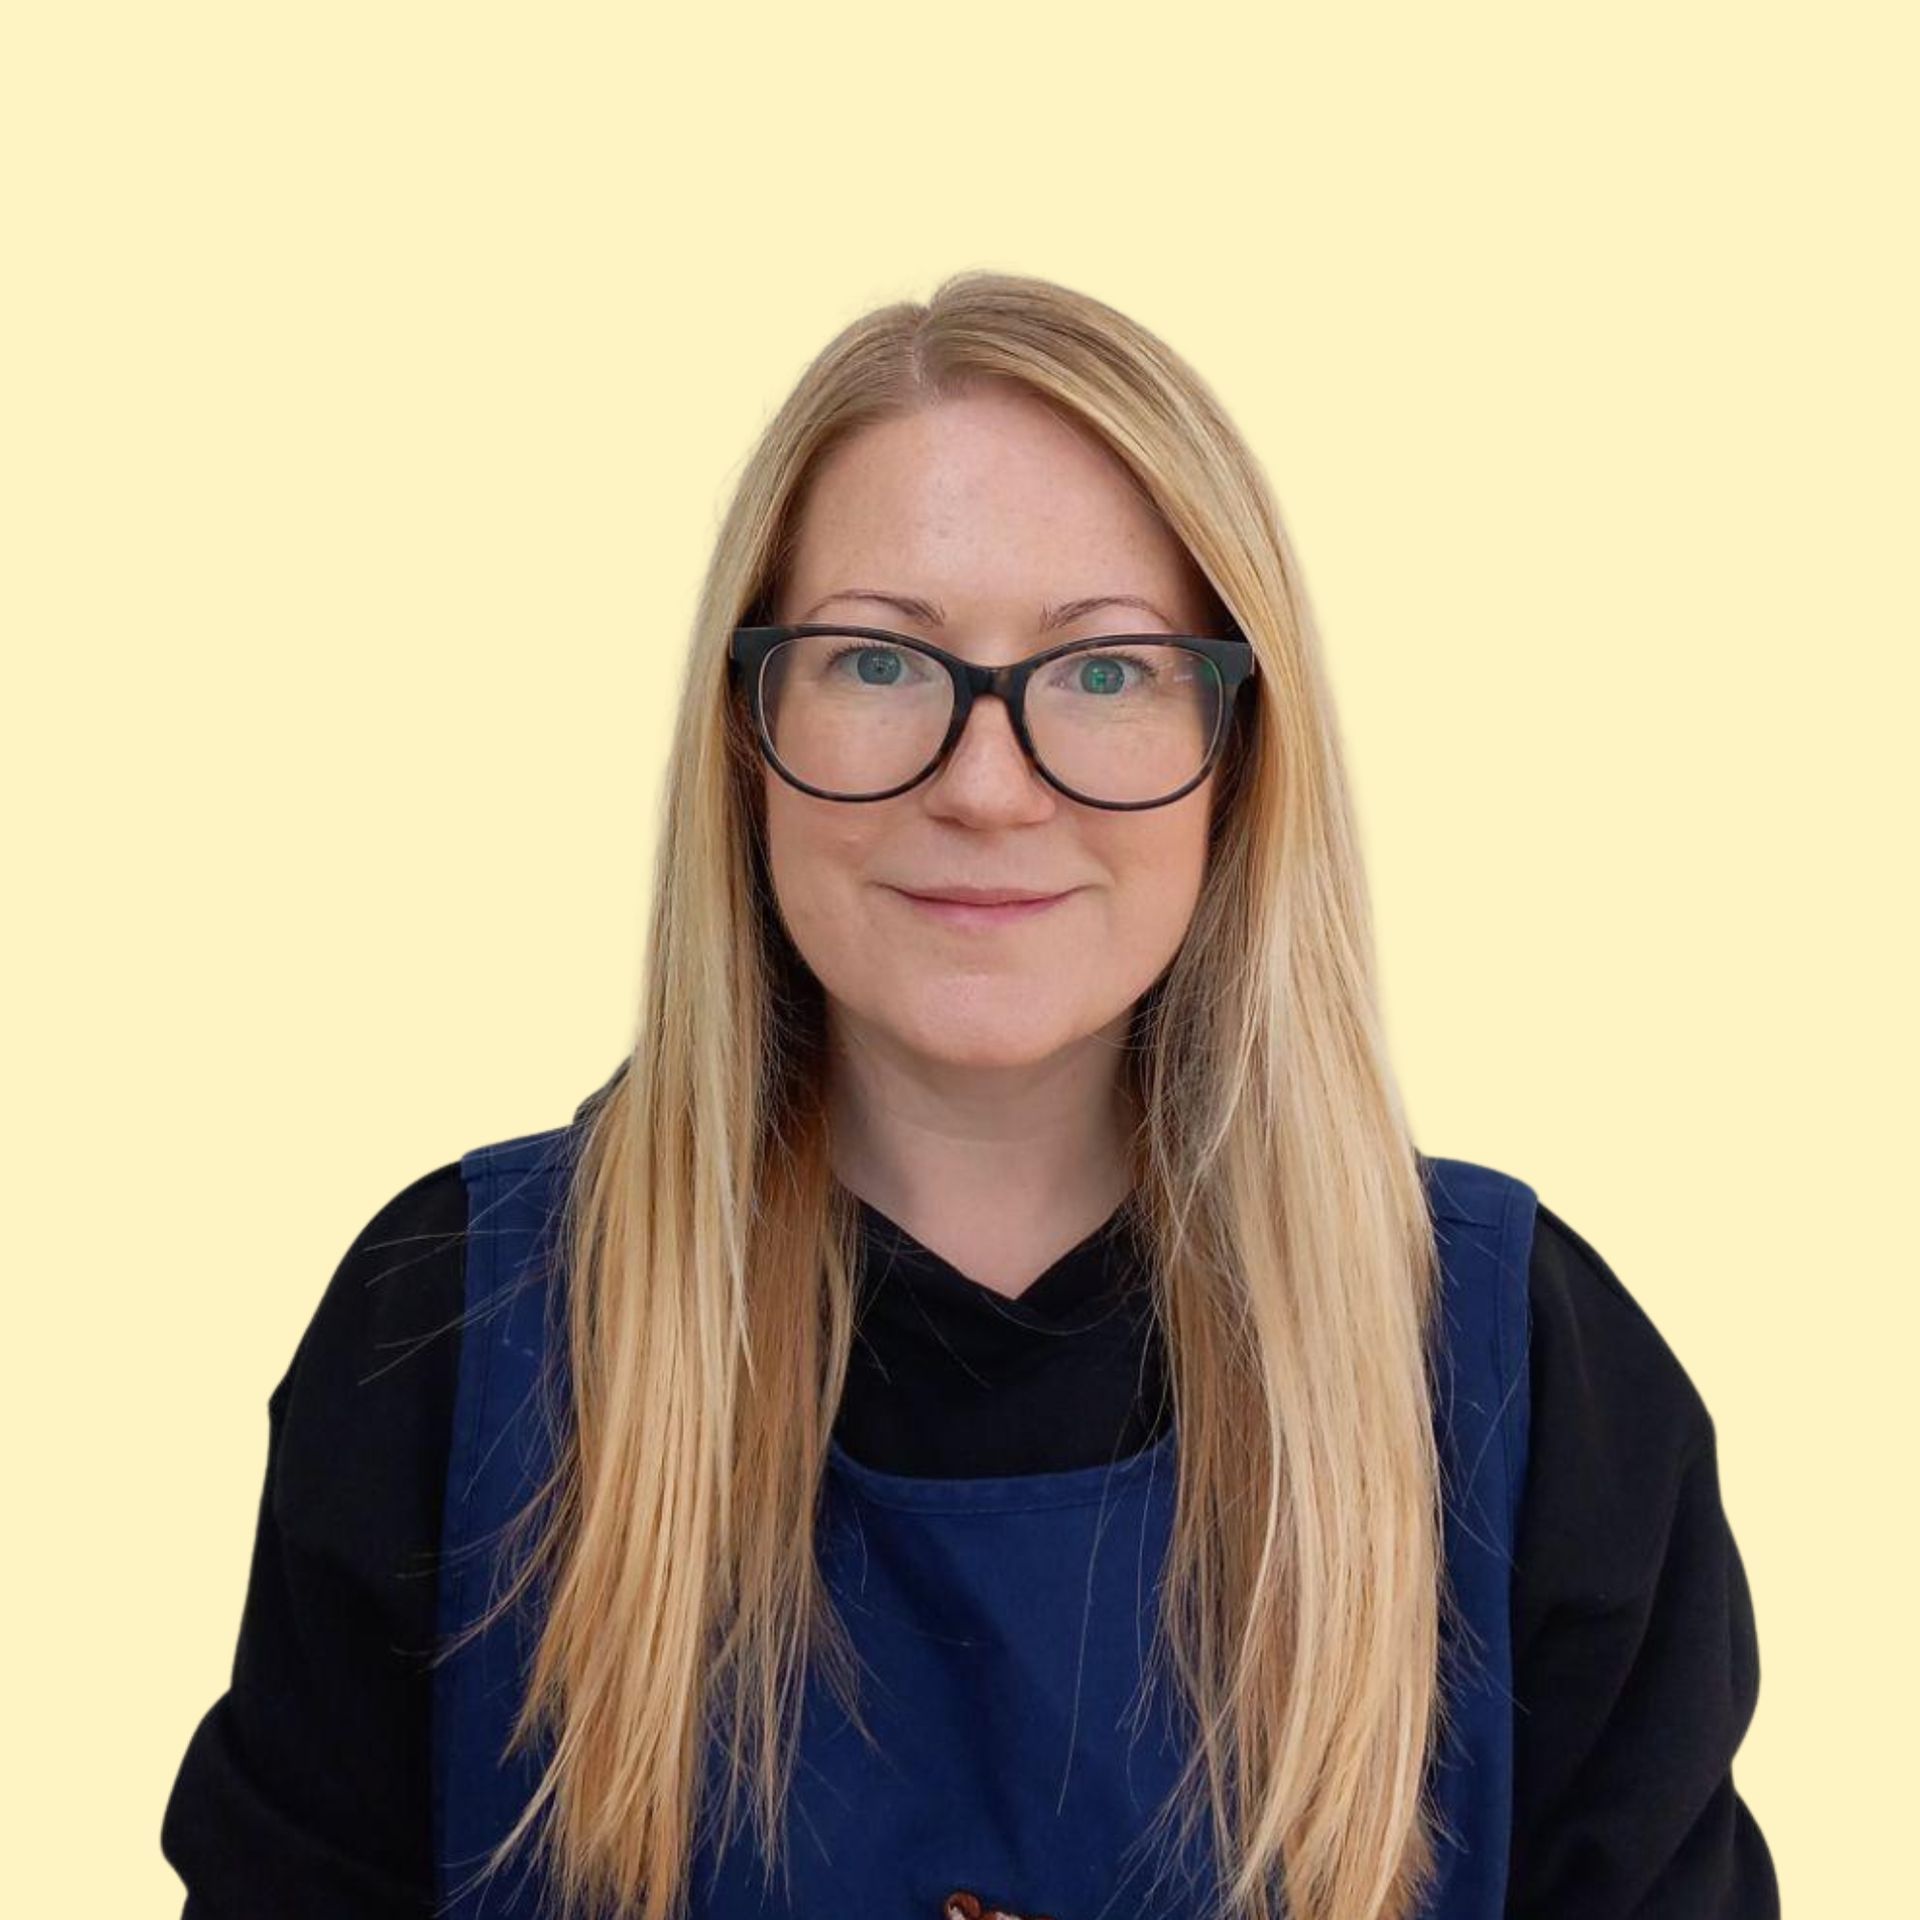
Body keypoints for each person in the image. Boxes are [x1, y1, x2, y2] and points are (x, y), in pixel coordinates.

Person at [162, 271, 1778, 1920]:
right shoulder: (451, 1335)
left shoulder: (1524, 1377)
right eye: (877, 663)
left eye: (1104, 673)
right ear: (747, 727)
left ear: (1241, 752)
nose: (985, 784)